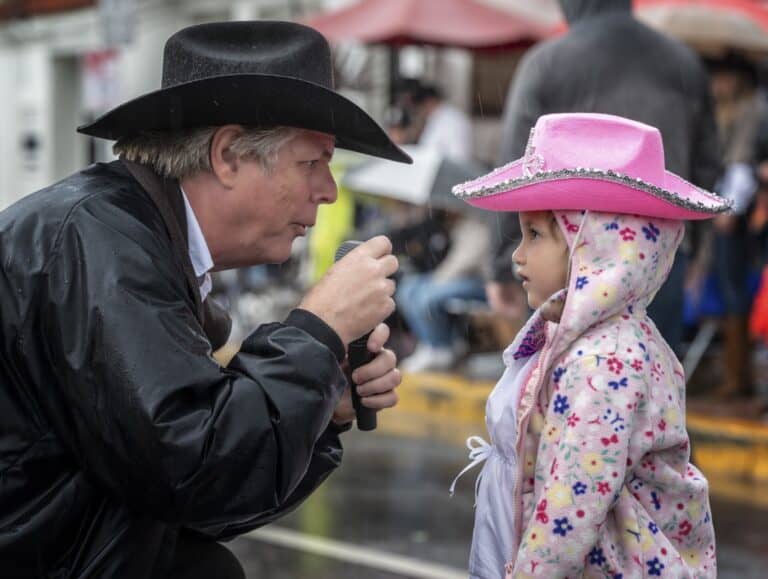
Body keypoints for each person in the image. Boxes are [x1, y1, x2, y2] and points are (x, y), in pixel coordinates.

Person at [0, 21, 411, 578]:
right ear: (227, 155)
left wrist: (322, 402)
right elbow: (192, 468)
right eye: (311, 162)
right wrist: (316, 330)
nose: (330, 190)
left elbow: (200, 504)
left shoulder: (134, 237)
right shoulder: (98, 242)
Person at [451, 113, 724, 577]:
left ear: (594, 246)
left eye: (534, 235)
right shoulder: (584, 338)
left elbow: (569, 512)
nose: (517, 254)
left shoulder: (606, 361)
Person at [489, 0, 720, 355]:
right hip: (659, 254)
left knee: (561, 385)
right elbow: (707, 165)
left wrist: (502, 265)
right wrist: (693, 246)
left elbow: (519, 166)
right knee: (649, 376)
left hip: (567, 259)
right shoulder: (683, 62)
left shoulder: (547, 62)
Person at [414, 84, 474, 163]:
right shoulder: (443, 115)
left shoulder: (447, 120)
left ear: (429, 102)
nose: (421, 112)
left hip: (452, 167)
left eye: (420, 107)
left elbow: (428, 149)